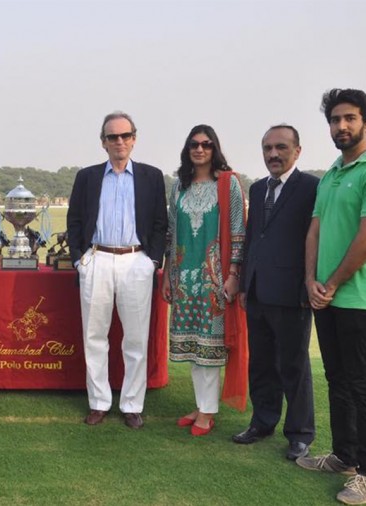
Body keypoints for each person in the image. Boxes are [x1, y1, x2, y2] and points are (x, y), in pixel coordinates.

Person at [296, 89, 366, 505]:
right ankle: (344, 456)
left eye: (350, 118)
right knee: (336, 379)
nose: (341, 126)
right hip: (326, 295)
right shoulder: (332, 174)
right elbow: (315, 231)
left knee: (361, 384)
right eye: (335, 119)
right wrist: (311, 280)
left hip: (358, 297)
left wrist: (333, 283)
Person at [67, 111, 167, 429]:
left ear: (134, 139)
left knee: (135, 339)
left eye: (125, 135)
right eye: (113, 136)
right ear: (103, 142)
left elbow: (160, 224)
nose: (119, 141)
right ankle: (98, 402)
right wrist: (80, 260)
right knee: (94, 336)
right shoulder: (87, 177)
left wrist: (151, 262)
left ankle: (132, 404)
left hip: (136, 262)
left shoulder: (152, 177)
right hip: (97, 258)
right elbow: (75, 220)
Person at [232, 125, 318, 460]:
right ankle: (262, 422)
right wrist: (244, 284)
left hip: (292, 294)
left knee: (293, 366)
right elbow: (254, 237)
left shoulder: (311, 187)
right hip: (257, 292)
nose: (273, 154)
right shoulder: (258, 188)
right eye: (267, 148)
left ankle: (299, 434)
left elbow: (316, 240)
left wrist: (308, 284)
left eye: (281, 147)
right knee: (262, 364)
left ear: (297, 150)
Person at [161, 124, 247, 436]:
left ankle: (208, 412)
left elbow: (238, 232)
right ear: (187, 149)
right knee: (194, 346)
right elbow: (171, 234)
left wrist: (233, 275)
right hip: (184, 277)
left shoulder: (228, 183)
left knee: (210, 345)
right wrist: (167, 276)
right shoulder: (178, 187)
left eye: (206, 144)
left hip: (215, 278)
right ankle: (201, 405)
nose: (200, 149)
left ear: (215, 148)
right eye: (194, 144)